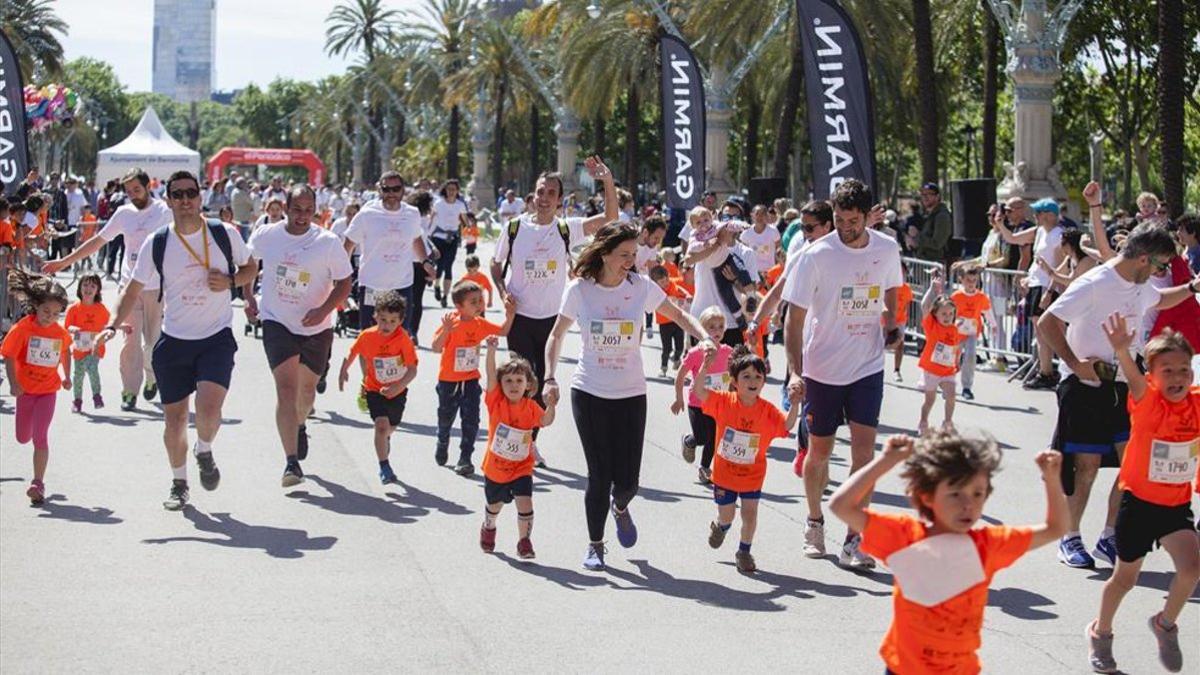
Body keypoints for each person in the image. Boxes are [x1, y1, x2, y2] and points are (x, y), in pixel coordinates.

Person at [543, 223, 714, 571]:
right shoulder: (580, 290)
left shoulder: (641, 288)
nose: (631, 262)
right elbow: (556, 335)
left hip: (631, 392)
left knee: (628, 482)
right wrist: (549, 377)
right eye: (624, 255)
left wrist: (702, 337)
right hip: (589, 390)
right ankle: (595, 545)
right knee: (598, 474)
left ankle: (620, 507)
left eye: (634, 254)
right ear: (604, 254)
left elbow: (678, 315)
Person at [829, 433, 1068, 675]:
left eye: (978, 494)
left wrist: (1051, 479)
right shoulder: (904, 536)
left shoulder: (988, 545)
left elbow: (1056, 529)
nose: (968, 504)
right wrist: (886, 460)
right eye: (956, 494)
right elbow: (840, 505)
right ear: (926, 495)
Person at [1037, 219, 1200, 569]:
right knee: (1086, 467)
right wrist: (1074, 363)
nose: (1162, 272)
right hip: (1085, 385)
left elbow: (1162, 298)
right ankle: (1070, 537)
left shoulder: (1143, 283)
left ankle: (1109, 536)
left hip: (1124, 385)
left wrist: (1192, 286)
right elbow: (1047, 322)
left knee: (1132, 464)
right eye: (1160, 265)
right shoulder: (1096, 283)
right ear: (1143, 259)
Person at [97, 170, 256, 511]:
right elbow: (132, 289)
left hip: (216, 338)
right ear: (168, 201)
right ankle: (179, 482)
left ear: (200, 198)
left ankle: (204, 449)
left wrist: (230, 281)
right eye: (178, 195)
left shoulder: (224, 234)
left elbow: (251, 268)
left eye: (191, 194)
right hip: (174, 340)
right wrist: (112, 323)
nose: (185, 200)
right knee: (174, 421)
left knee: (210, 411)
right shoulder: (159, 242)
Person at [783, 179, 903, 568]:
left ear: (869, 216)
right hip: (822, 368)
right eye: (838, 219)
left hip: (867, 365)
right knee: (819, 453)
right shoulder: (815, 255)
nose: (845, 227)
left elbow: (891, 291)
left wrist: (891, 322)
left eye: (853, 220)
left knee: (864, 455)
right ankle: (814, 522)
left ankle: (855, 537)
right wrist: (794, 372)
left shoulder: (886, 249)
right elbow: (794, 319)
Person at [1086, 321, 1199, 674]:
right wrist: (1121, 349)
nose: (1178, 376)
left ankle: (1165, 624)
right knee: (1124, 580)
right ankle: (1100, 634)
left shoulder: (1196, 404)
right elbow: (1133, 379)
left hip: (1176, 506)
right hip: (1138, 504)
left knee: (1192, 568)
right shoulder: (1147, 401)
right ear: (1152, 376)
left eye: (1184, 369)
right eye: (1168, 370)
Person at [490, 157, 617, 464]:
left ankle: (528, 441)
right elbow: (495, 265)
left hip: (551, 321)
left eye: (550, 193)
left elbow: (610, 221)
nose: (544, 198)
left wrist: (607, 182)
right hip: (519, 318)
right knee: (520, 380)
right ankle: (513, 440)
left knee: (538, 384)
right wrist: (504, 292)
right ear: (533, 196)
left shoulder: (566, 229)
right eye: (540, 192)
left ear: (560, 200)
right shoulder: (514, 227)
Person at [243, 185, 353, 488]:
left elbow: (345, 283)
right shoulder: (267, 235)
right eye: (297, 209)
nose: (302, 216)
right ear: (285, 208)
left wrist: (323, 310)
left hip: (316, 327)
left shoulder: (328, 242)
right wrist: (249, 297)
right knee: (286, 390)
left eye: (308, 210)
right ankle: (291, 462)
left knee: (306, 392)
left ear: (315, 209)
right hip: (277, 319)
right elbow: (249, 266)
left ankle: (300, 424)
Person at [43, 168, 172, 411]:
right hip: (129, 286)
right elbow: (97, 242)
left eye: (137, 189)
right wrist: (64, 262)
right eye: (129, 191)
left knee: (153, 343)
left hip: (156, 287)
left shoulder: (164, 212)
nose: (133, 195)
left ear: (147, 187)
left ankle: (152, 377)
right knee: (129, 343)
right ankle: (129, 391)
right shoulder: (124, 214)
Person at [694, 343, 801, 573]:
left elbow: (787, 426)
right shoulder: (724, 402)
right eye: (746, 376)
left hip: (752, 476)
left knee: (750, 515)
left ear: (763, 381)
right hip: (724, 475)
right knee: (728, 515)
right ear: (734, 381)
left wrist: (795, 404)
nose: (752, 381)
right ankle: (721, 527)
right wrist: (705, 366)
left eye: (758, 376)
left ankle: (744, 551)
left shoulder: (768, 410)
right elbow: (699, 391)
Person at [478, 335, 556, 558]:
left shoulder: (530, 407)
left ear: (528, 384)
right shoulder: (496, 402)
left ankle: (524, 542)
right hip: (496, 468)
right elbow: (491, 376)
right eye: (508, 381)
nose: (514, 385)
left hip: (521, 466)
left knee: (525, 502)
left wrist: (551, 406)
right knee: (495, 504)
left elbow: (546, 421)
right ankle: (489, 526)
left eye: (519, 381)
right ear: (501, 385)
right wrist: (491, 350)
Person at [430, 280, 517, 475]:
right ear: (459, 306)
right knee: (446, 417)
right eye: (473, 302)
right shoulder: (451, 322)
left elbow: (503, 331)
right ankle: (443, 439)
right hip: (449, 381)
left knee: (471, 419)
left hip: (470, 379)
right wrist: (445, 330)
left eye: (480, 300)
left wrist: (510, 315)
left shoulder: (480, 324)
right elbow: (435, 348)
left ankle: (465, 457)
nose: (479, 305)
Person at [1, 270, 72, 506]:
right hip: (25, 391)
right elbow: (9, 355)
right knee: (23, 437)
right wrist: (14, 383)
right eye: (45, 312)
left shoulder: (59, 333)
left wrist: (66, 375)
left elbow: (65, 351)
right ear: (35, 306)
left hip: (47, 392)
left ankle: (38, 483)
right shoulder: (23, 328)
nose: (49, 318)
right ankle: (30, 440)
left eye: (55, 314)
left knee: (40, 437)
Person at [337, 291, 418, 485]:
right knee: (381, 426)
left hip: (397, 391)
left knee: (391, 426)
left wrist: (397, 387)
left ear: (400, 321)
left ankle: (385, 439)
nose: (387, 325)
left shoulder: (403, 339)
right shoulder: (367, 336)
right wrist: (344, 370)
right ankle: (384, 466)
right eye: (383, 319)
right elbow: (353, 352)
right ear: (375, 316)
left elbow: (412, 370)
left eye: (392, 321)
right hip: (374, 388)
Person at [343, 172, 432, 333]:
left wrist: (425, 262)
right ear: (380, 190)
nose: (391, 193)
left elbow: (416, 239)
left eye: (396, 189)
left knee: (400, 337)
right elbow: (348, 244)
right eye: (386, 189)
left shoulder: (412, 213)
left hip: (402, 285)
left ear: (403, 190)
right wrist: (341, 277)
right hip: (371, 285)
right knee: (369, 337)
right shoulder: (367, 214)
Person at [991, 197, 1065, 390]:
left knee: (1051, 332)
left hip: (1047, 287)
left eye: (1038, 213)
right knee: (1040, 332)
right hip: (1035, 285)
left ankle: (1056, 371)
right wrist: (1000, 224)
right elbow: (1013, 239)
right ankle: (1046, 371)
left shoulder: (1058, 236)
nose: (1035, 216)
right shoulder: (1039, 231)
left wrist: (1050, 291)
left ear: (1050, 215)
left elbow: (1059, 267)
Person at [673, 307, 732, 484]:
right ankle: (690, 441)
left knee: (714, 438)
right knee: (702, 437)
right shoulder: (695, 353)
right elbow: (681, 376)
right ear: (702, 330)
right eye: (711, 327)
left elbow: (736, 373)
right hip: (697, 403)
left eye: (720, 327)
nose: (717, 331)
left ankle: (705, 468)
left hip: (718, 403)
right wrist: (678, 398)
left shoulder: (727, 352)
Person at [917, 269, 965, 435]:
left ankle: (947, 422)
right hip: (931, 369)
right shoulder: (932, 326)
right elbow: (924, 306)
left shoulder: (954, 329)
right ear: (935, 314)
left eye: (950, 314)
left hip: (947, 369)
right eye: (943, 314)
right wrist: (932, 289)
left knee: (951, 395)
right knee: (930, 400)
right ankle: (923, 421)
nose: (947, 317)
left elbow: (956, 347)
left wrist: (957, 362)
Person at [64, 273, 110, 413]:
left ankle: (97, 396)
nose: (88, 289)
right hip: (79, 349)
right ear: (79, 288)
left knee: (92, 369)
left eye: (92, 286)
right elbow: (67, 326)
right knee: (78, 376)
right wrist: (73, 329)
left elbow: (111, 323)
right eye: (85, 285)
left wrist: (123, 326)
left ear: (97, 290)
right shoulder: (74, 309)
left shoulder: (100, 309)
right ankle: (77, 401)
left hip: (95, 348)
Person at [950, 265, 995, 401]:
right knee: (953, 359)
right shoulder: (956, 296)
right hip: (956, 333)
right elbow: (948, 311)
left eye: (974, 280)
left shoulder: (981, 297)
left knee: (970, 357)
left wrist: (993, 325)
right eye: (968, 280)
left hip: (972, 333)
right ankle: (948, 383)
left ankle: (967, 387)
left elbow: (987, 311)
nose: (971, 284)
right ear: (961, 280)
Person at [429, 179, 468, 308]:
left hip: (452, 238)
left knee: (449, 266)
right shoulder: (439, 203)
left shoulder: (460, 205)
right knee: (440, 265)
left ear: (457, 191)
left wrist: (467, 226)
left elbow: (465, 220)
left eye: (454, 189)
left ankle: (445, 296)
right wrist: (427, 234)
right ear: (445, 190)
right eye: (449, 189)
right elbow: (431, 218)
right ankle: (436, 285)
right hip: (439, 237)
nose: (451, 192)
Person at [649, 265, 690, 377]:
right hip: (664, 323)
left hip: (677, 320)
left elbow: (679, 289)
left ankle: (677, 359)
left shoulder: (672, 284)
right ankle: (663, 368)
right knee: (667, 348)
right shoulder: (655, 291)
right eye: (662, 282)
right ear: (655, 283)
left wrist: (686, 295)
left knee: (680, 347)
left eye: (666, 279)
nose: (666, 283)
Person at [914, 182, 953, 263]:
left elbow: (937, 244)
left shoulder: (942, 216)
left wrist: (917, 236)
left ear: (937, 196)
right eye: (923, 194)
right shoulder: (930, 215)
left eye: (929, 194)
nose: (925, 197)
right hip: (925, 263)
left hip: (936, 265)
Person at [740, 204, 782, 276]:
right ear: (752, 215)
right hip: (753, 272)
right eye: (757, 214)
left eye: (762, 214)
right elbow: (742, 254)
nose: (759, 217)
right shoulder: (746, 233)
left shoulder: (773, 231)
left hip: (770, 272)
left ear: (766, 216)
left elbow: (779, 250)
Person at [891, 263, 915, 381]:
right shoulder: (888, 286)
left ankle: (897, 370)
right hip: (885, 319)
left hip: (900, 320)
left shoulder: (907, 289)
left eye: (903, 273)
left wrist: (908, 319)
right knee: (879, 345)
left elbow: (908, 305)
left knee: (900, 344)